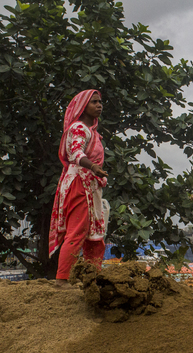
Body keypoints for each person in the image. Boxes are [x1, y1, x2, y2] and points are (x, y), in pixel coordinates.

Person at [49, 90, 109, 288]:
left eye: (100, 102)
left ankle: (93, 277)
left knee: (95, 236)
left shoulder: (91, 131)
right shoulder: (78, 128)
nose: (99, 105)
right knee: (77, 231)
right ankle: (63, 280)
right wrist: (93, 167)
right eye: (94, 102)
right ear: (83, 106)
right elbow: (75, 153)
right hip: (79, 184)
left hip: (89, 185)